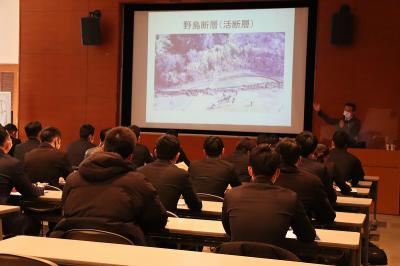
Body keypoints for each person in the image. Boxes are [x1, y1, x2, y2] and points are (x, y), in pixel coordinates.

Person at [58, 127, 167, 245]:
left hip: (74, 246)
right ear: (131, 157)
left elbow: (65, 210)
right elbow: (158, 221)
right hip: (123, 251)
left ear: (103, 148)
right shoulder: (138, 182)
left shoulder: (73, 179)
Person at [222, 145, 316, 246]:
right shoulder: (290, 197)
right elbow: (308, 236)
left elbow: (229, 231)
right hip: (274, 259)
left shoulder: (231, 194)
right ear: (277, 173)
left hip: (237, 257)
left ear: (250, 170)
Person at [275, 138, 336, 224]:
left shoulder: (267, 178)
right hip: (302, 230)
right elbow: (328, 216)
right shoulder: (312, 181)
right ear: (299, 160)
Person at [137, 134, 202, 213]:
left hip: (140, 223)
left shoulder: (139, 172)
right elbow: (195, 206)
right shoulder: (181, 174)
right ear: (177, 156)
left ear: (155, 152)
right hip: (167, 222)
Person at [0, 127, 44, 235]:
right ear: (5, 143)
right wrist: (41, 189)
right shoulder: (11, 164)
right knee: (34, 221)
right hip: (3, 218)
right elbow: (30, 192)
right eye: (9, 138)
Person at [295, 131, 337, 203]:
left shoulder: (286, 164)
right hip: (311, 211)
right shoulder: (320, 169)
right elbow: (331, 197)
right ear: (315, 149)